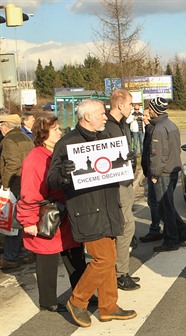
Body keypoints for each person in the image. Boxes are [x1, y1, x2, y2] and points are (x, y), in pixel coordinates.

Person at [48, 99, 136, 328]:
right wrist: (64, 174)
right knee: (104, 258)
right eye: (100, 113)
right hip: (86, 211)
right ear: (86, 117)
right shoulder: (67, 143)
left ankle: (108, 306)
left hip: (109, 208)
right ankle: (77, 301)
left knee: (110, 258)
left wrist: (129, 164)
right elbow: (52, 180)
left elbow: (123, 175)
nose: (106, 117)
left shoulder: (107, 139)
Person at [17, 114, 87, 312]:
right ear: (43, 134)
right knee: (46, 260)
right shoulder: (35, 159)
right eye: (55, 129)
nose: (60, 132)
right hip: (45, 215)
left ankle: (82, 293)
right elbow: (29, 192)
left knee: (75, 255)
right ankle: (48, 301)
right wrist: (28, 220)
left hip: (65, 214)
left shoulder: (58, 153)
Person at [147, 97, 186, 252]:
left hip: (164, 173)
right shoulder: (170, 125)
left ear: (154, 110)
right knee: (167, 206)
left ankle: (171, 240)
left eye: (149, 108)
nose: (147, 111)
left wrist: (154, 173)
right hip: (172, 169)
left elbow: (157, 155)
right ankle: (183, 232)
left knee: (164, 208)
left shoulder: (159, 129)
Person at [105, 89, 140, 291]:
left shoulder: (120, 125)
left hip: (125, 182)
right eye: (129, 104)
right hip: (117, 184)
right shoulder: (108, 127)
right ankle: (120, 273)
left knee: (128, 227)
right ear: (120, 105)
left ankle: (122, 271)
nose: (132, 108)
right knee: (126, 227)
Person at [0, 112, 34, 270]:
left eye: (1, 125)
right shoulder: (26, 137)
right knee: (21, 220)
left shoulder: (9, 140)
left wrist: (5, 185)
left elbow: (12, 164)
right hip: (26, 183)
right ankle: (26, 252)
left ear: (6, 127)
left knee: (11, 223)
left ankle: (10, 257)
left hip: (14, 185)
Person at [139, 106, 163, 243]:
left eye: (146, 115)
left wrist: (153, 173)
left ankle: (157, 229)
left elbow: (154, 153)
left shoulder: (154, 130)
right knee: (155, 202)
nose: (143, 118)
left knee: (156, 202)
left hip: (154, 172)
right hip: (149, 171)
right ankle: (164, 228)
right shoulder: (149, 130)